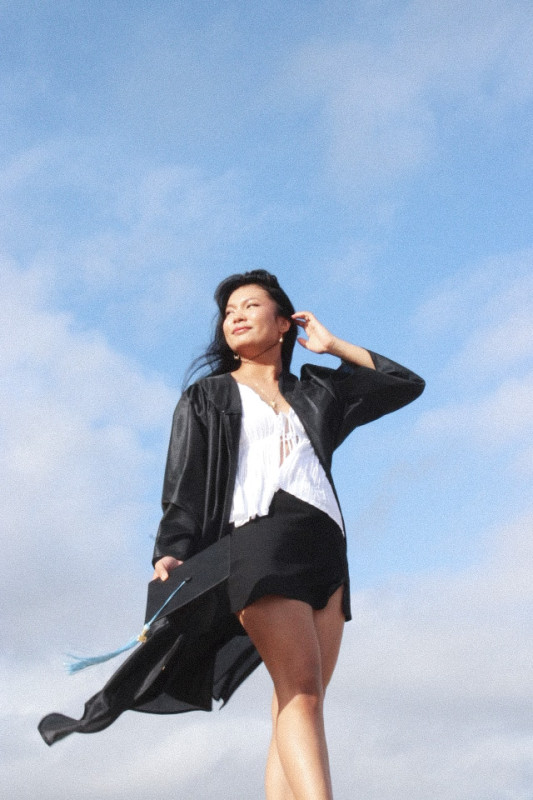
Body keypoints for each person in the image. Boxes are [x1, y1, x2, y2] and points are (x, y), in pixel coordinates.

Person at [39, 271, 424, 800]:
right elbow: (184, 483)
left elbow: (405, 383)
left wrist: (333, 345)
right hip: (259, 542)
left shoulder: (318, 391)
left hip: (327, 551)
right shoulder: (208, 396)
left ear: (286, 323)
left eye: (250, 305)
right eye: (228, 311)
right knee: (302, 693)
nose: (235, 316)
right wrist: (172, 550)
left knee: (296, 702)